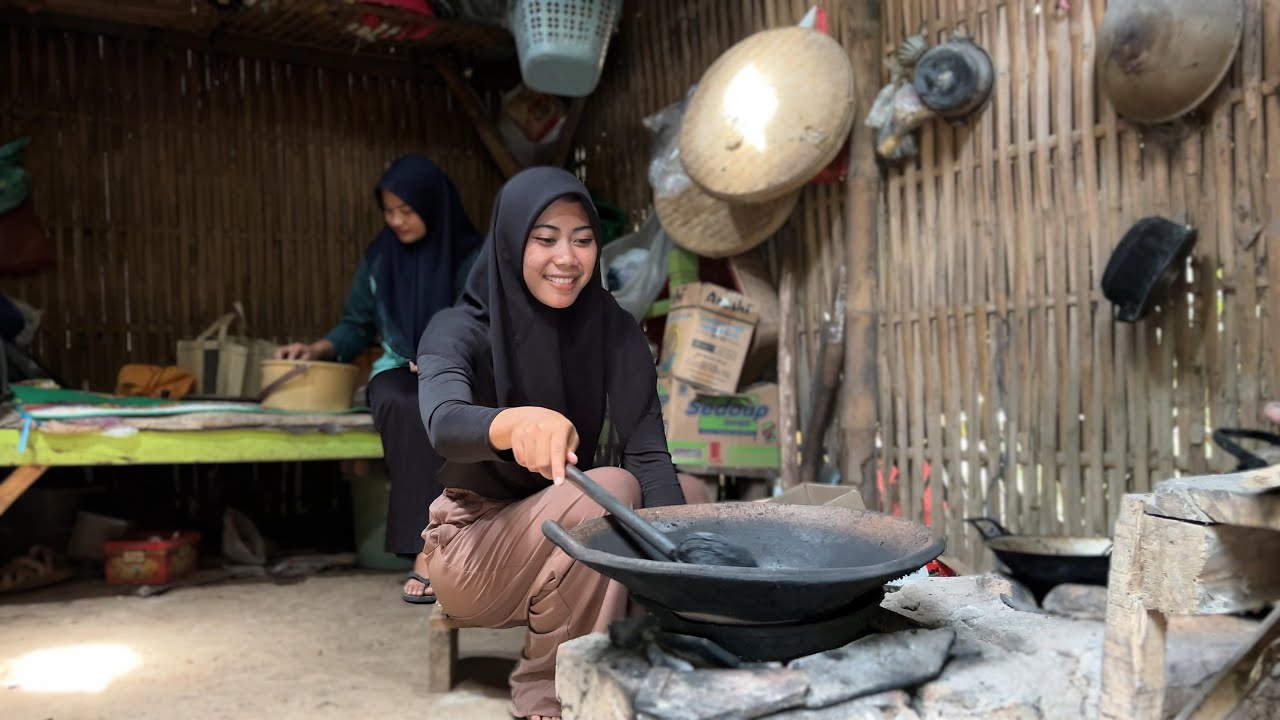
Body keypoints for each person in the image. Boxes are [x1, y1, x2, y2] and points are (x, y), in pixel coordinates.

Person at [415, 166, 708, 720]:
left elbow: (648, 453)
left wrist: (686, 574)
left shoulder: (613, 329)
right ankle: (547, 686)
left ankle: (644, 637)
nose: (567, 259)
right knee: (612, 488)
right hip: (472, 548)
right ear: (509, 244)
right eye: (544, 239)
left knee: (692, 496)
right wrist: (513, 425)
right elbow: (444, 421)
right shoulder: (457, 328)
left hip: (556, 523)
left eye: (583, 239)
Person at [275, 155, 482, 604]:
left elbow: (483, 320)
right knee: (403, 403)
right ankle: (427, 547)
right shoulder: (378, 259)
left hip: (460, 368)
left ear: (432, 204)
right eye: (388, 211)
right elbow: (356, 325)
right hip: (398, 370)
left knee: (450, 410)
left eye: (406, 210)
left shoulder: (472, 257)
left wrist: (442, 354)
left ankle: (468, 543)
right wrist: (317, 350)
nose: (396, 220)